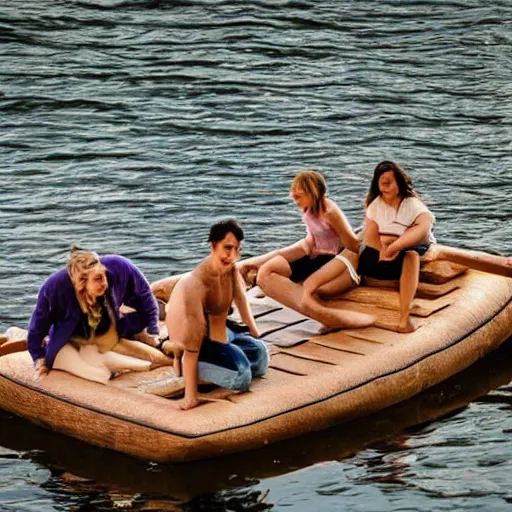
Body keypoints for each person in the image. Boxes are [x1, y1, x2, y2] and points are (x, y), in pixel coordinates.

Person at [239, 170, 376, 329]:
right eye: (294, 197)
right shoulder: (309, 210)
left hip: (331, 260)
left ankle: (320, 311)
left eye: (298, 197)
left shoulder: (330, 212)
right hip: (315, 256)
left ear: (313, 193)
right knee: (269, 269)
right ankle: (312, 306)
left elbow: (353, 245)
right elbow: (308, 243)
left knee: (266, 274)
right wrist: (256, 261)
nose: (296, 201)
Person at [162, 220, 269, 410]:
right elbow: (192, 341)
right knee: (242, 377)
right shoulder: (197, 283)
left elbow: (241, 300)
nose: (232, 255)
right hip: (195, 343)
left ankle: (222, 365)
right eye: (227, 248)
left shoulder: (230, 270)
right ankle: (186, 369)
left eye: (237, 249)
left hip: (222, 334)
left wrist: (254, 332)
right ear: (213, 246)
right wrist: (190, 396)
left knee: (261, 356)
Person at [27, 247, 173, 384]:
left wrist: (153, 330)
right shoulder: (55, 289)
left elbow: (145, 296)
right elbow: (36, 329)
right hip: (72, 342)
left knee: (143, 358)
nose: (105, 283)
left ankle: (161, 360)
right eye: (98, 279)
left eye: (104, 276)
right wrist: (39, 360)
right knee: (101, 374)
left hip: (105, 333)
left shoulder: (117, 267)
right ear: (82, 282)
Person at [357, 161, 435, 333]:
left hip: (405, 252)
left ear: (399, 183)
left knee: (412, 256)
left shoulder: (412, 204)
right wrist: (383, 248)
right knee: (354, 249)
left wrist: (396, 246)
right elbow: (370, 236)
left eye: (390, 183)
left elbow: (423, 228)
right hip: (379, 255)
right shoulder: (375, 205)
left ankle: (404, 319)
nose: (386, 188)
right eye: (382, 183)